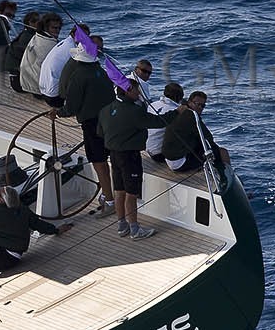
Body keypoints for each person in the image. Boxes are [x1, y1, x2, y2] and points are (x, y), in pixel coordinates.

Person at [99, 73, 180, 239]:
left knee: (119, 190)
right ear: (127, 91)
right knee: (131, 193)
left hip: (114, 155)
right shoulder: (134, 111)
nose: (139, 94)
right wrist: (177, 112)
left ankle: (122, 226)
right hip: (130, 157)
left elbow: (100, 132)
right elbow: (159, 122)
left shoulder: (106, 109)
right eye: (136, 91)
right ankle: (135, 230)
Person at [58, 34, 117, 220]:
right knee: (111, 159)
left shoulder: (79, 76)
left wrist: (58, 113)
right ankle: (111, 195)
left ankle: (109, 201)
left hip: (92, 125)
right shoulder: (102, 72)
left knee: (99, 162)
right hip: (109, 121)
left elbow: (72, 106)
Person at [161, 90, 229, 171]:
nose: (200, 108)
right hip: (180, 163)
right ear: (189, 102)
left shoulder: (180, 110)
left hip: (169, 159)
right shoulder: (191, 116)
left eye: (202, 106)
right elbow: (208, 138)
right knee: (221, 152)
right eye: (198, 104)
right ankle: (225, 177)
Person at [36, 22, 83, 106]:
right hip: (54, 98)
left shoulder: (63, 43)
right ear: (72, 34)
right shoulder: (73, 50)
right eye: (81, 35)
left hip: (43, 92)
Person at [17, 13, 61, 96]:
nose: (57, 30)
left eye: (59, 28)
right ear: (45, 27)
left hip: (28, 84)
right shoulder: (49, 45)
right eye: (54, 28)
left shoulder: (36, 37)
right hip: (40, 90)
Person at [2, 11, 43, 93]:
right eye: (36, 21)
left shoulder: (27, 34)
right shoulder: (28, 39)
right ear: (30, 23)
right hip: (20, 83)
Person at [145, 81, 184, 162]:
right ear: (179, 97)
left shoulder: (152, 105)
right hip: (159, 155)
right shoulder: (175, 111)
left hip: (148, 149)